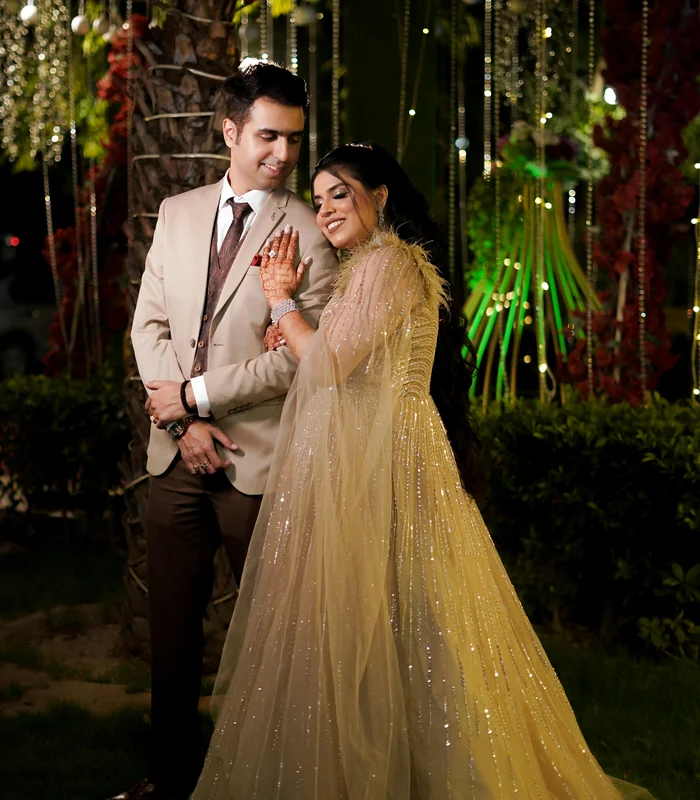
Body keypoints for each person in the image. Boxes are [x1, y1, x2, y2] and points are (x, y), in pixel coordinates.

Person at [191, 142, 654, 799]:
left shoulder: (390, 262)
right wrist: (295, 323)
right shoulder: (373, 268)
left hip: (389, 461)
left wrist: (280, 300)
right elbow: (338, 359)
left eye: (339, 194)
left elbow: (329, 363)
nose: (324, 210)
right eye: (318, 199)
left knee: (414, 614)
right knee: (387, 615)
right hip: (367, 453)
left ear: (380, 197)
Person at [122, 62, 339, 800]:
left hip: (262, 462)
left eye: (294, 140)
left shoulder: (313, 233)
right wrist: (184, 417)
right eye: (268, 137)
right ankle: (172, 780)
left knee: (281, 647)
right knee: (173, 642)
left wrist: (195, 395)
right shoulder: (177, 212)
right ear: (230, 131)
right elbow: (147, 323)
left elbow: (298, 365)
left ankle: (282, 783)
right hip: (175, 459)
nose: (283, 155)